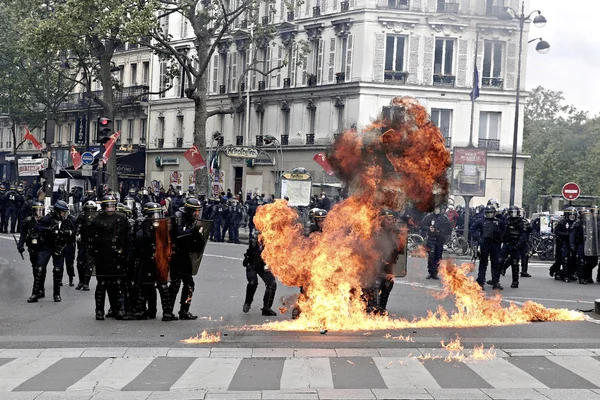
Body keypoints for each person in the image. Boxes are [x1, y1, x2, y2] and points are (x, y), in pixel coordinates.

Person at [89, 195, 129, 320]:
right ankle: (99, 310)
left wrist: (125, 252)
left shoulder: (121, 218)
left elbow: (127, 236)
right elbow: (91, 238)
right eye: (108, 206)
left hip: (117, 255)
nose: (111, 208)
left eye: (113, 206)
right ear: (103, 207)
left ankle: (117, 309)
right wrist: (93, 255)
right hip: (102, 254)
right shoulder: (97, 219)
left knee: (117, 284)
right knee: (102, 284)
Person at [170, 198, 208, 320]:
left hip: (187, 254)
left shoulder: (194, 220)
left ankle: (184, 311)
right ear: (189, 210)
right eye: (195, 211)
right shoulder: (178, 217)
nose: (197, 214)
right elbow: (177, 235)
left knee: (189, 283)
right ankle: (168, 311)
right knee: (175, 283)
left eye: (198, 211)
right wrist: (192, 231)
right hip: (176, 254)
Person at [30, 200, 72, 303]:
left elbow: (73, 230)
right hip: (47, 246)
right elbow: (36, 227)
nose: (64, 214)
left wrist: (67, 232)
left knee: (58, 270)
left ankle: (57, 294)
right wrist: (48, 230)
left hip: (59, 247)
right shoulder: (48, 218)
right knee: (39, 268)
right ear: (58, 211)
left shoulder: (66, 220)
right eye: (63, 211)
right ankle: (35, 293)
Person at [242, 230, 277, 316]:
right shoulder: (258, 235)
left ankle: (266, 308)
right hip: (253, 262)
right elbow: (253, 250)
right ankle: (247, 303)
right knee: (253, 282)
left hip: (264, 264)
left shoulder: (276, 235)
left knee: (271, 283)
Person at [471, 205, 504, 290]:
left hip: (495, 244)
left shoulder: (499, 221)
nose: (489, 214)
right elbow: (472, 230)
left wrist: (501, 239)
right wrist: (478, 239)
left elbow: (505, 230)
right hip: (484, 244)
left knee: (495, 264)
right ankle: (480, 281)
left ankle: (495, 282)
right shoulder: (481, 221)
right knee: (483, 263)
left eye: (491, 212)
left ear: (494, 213)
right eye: (488, 212)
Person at [18, 202, 45, 299]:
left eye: (41, 210)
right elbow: (23, 234)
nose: (39, 213)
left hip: (43, 247)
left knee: (41, 268)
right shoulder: (28, 221)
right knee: (35, 268)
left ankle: (39, 290)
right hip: (32, 248)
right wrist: (20, 245)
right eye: (37, 210)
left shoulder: (45, 221)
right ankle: (40, 287)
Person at [499, 206, 527, 289]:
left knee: (515, 263)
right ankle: (495, 280)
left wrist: (518, 245)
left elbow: (523, 235)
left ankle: (515, 281)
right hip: (507, 244)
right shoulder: (507, 221)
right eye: (511, 212)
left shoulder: (521, 222)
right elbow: (503, 232)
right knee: (499, 261)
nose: (513, 214)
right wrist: (502, 239)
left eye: (514, 212)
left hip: (516, 244)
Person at [421, 206, 451, 280]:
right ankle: (430, 272)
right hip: (431, 239)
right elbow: (422, 226)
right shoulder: (429, 217)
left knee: (438, 257)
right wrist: (429, 228)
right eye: (435, 209)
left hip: (440, 239)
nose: (436, 210)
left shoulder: (444, 218)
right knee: (431, 255)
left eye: (437, 209)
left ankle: (435, 272)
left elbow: (448, 229)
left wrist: (441, 231)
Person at [75, 200, 97, 291]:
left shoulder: (97, 217)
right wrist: (77, 234)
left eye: (92, 210)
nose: (90, 212)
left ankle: (86, 282)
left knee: (89, 263)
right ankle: (81, 281)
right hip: (83, 242)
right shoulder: (81, 216)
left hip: (92, 243)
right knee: (80, 262)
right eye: (88, 210)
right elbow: (77, 226)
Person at [551, 207, 577, 282]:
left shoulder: (577, 222)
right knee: (562, 258)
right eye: (570, 214)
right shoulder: (562, 222)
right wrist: (565, 235)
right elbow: (556, 231)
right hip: (563, 242)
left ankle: (571, 273)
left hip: (574, 243)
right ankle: (560, 273)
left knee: (574, 258)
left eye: (573, 214)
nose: (572, 216)